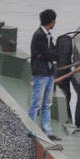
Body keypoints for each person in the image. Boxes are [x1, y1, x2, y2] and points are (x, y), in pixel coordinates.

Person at [28, 8, 59, 139]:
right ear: (51, 22)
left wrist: (51, 54)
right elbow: (48, 54)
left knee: (47, 103)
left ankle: (47, 129)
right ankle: (31, 129)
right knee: (37, 102)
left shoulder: (47, 36)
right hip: (41, 73)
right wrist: (51, 54)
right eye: (54, 21)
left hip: (49, 72)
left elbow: (51, 53)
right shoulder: (39, 35)